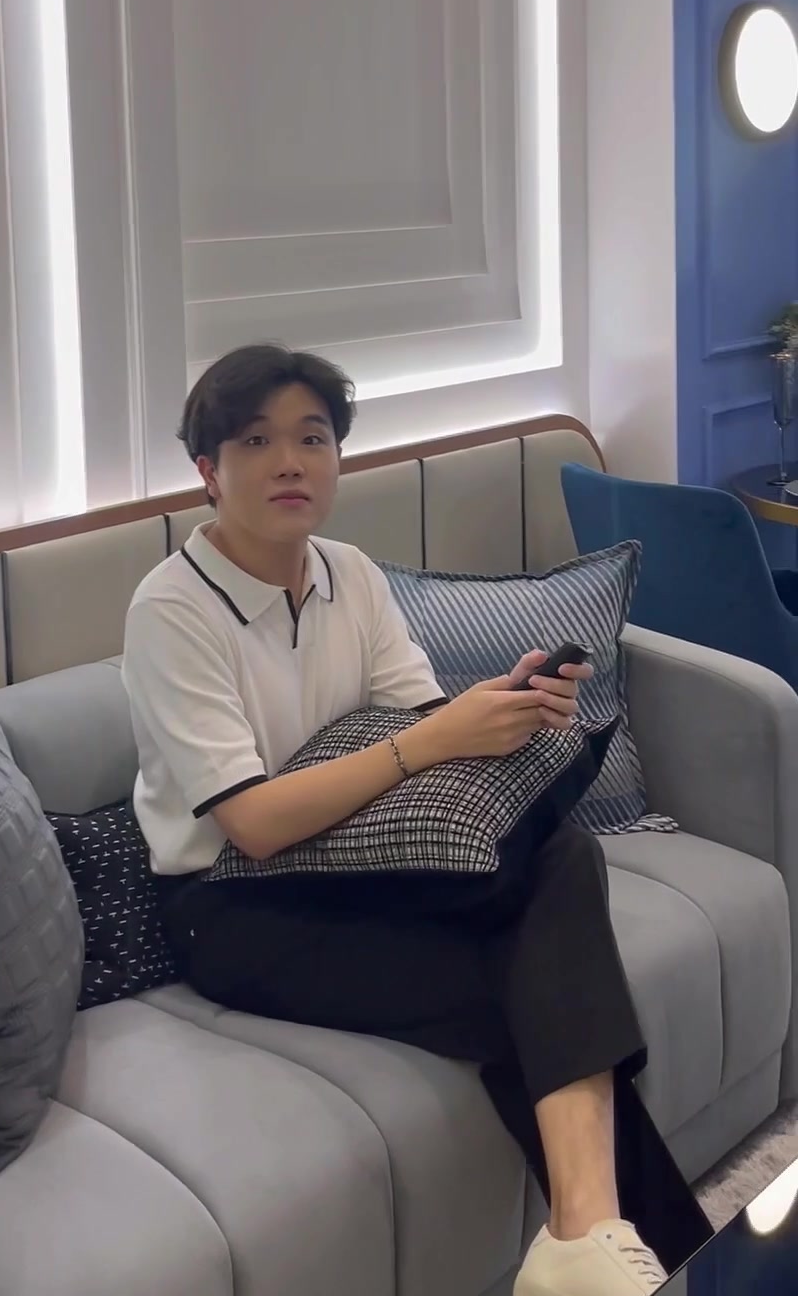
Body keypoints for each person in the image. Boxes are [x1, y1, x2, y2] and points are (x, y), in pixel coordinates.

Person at [121, 342, 713, 1296]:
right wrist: (431, 741)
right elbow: (253, 824)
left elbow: (424, 727)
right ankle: (638, 1256)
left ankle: (587, 1236)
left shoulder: (350, 572)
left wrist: (501, 708)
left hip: (356, 862)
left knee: (561, 857)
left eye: (313, 438)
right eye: (257, 441)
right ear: (208, 471)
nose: (290, 463)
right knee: (544, 994)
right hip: (231, 908)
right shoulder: (170, 610)